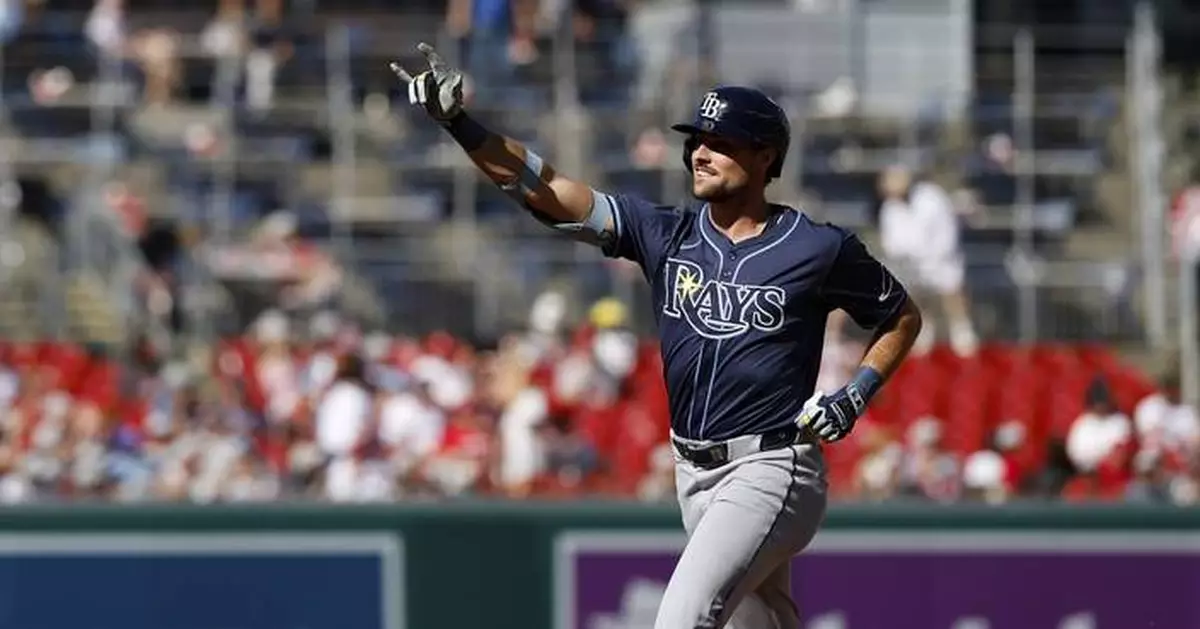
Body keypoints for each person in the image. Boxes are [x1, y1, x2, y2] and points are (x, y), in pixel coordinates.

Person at [390, 44, 922, 629]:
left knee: (680, 619)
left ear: (766, 155)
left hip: (772, 465)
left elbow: (900, 315)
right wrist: (461, 126)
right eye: (696, 140)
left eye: (720, 142)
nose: (701, 152)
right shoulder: (666, 233)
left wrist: (857, 393)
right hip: (692, 472)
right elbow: (547, 189)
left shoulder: (817, 247)